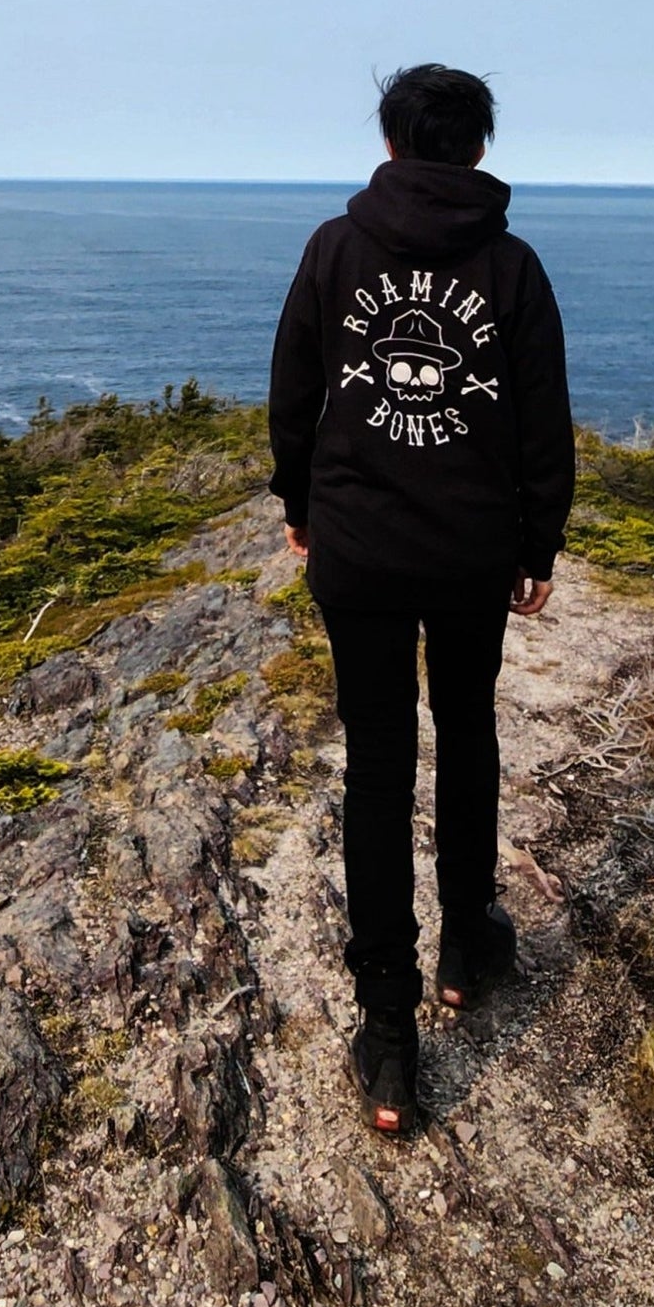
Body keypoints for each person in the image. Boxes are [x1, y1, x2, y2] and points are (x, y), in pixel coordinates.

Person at [267, 63, 575, 1134]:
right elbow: (541, 413)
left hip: (356, 551)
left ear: (392, 144)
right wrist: (538, 538)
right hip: (466, 555)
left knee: (377, 765)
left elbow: (294, 389)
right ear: (476, 150)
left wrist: (298, 502)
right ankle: (464, 943)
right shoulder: (511, 264)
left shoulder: (333, 248)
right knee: (467, 729)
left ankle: (387, 1030)